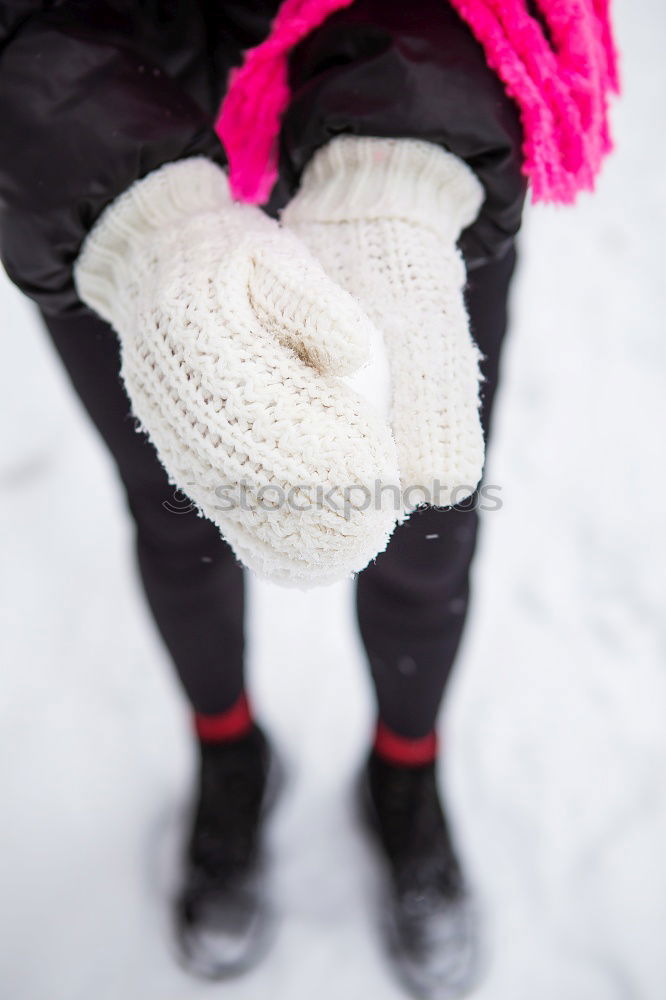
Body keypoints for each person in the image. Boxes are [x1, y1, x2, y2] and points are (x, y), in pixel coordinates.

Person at [0, 1, 616, 996]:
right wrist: (126, 210)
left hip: (427, 109)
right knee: (178, 505)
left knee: (427, 493)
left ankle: (405, 770)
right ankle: (229, 752)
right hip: (84, 155)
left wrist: (405, 151)